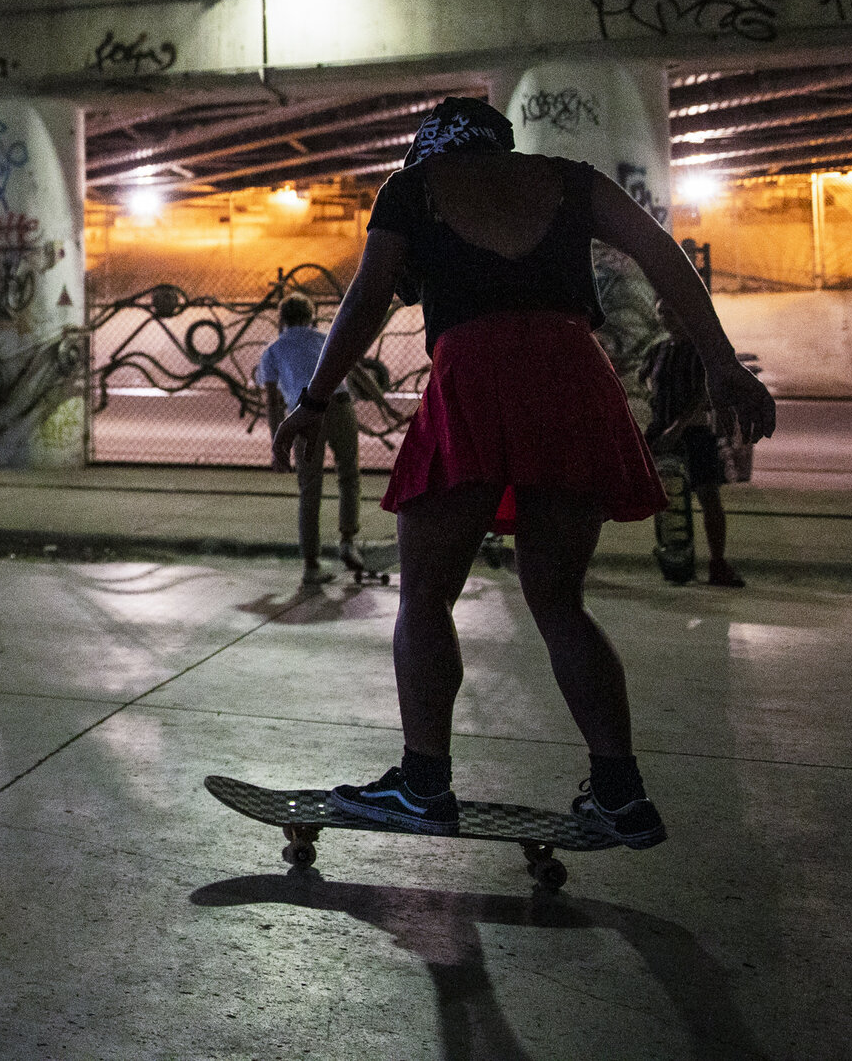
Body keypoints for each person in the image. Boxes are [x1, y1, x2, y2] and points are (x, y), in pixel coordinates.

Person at [271, 97, 773, 851]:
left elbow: (371, 297)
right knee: (560, 600)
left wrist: (313, 399)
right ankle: (619, 793)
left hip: (474, 375)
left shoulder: (417, 187)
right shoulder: (572, 181)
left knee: (427, 594)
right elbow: (662, 253)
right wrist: (720, 359)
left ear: (430, 149)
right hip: (575, 375)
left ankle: (423, 781)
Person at [256, 294, 360, 587]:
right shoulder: (325, 338)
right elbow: (351, 372)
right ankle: (348, 540)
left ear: (281, 319)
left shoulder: (273, 350)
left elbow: (273, 403)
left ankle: (311, 565)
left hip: (302, 415)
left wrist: (279, 445)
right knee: (348, 474)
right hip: (338, 404)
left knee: (309, 488)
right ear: (311, 316)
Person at [645, 298, 744, 587]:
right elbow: (649, 390)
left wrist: (676, 428)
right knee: (667, 499)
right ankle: (676, 559)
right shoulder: (659, 351)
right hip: (663, 432)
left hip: (695, 434)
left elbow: (703, 397)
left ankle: (717, 563)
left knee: (708, 498)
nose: (667, 319)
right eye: (662, 313)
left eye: (672, 312)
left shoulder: (700, 352)